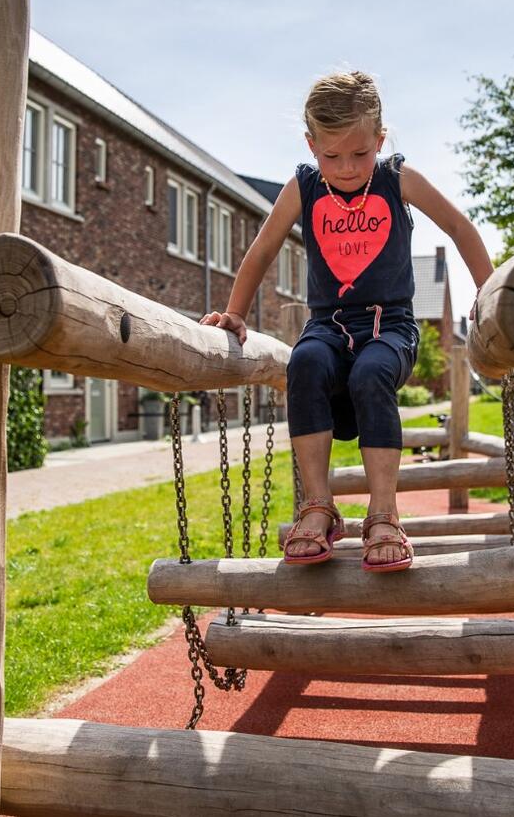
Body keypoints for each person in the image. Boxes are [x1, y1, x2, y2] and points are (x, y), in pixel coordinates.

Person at [201, 71, 494, 571]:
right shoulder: (304, 186)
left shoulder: (398, 179)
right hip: (328, 325)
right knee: (306, 362)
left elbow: (461, 228)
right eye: (331, 156)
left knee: (371, 372)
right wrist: (234, 313)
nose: (346, 168)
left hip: (391, 326)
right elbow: (263, 249)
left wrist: (489, 296)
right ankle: (318, 507)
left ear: (380, 140)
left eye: (360, 154)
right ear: (311, 144)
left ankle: (384, 514)